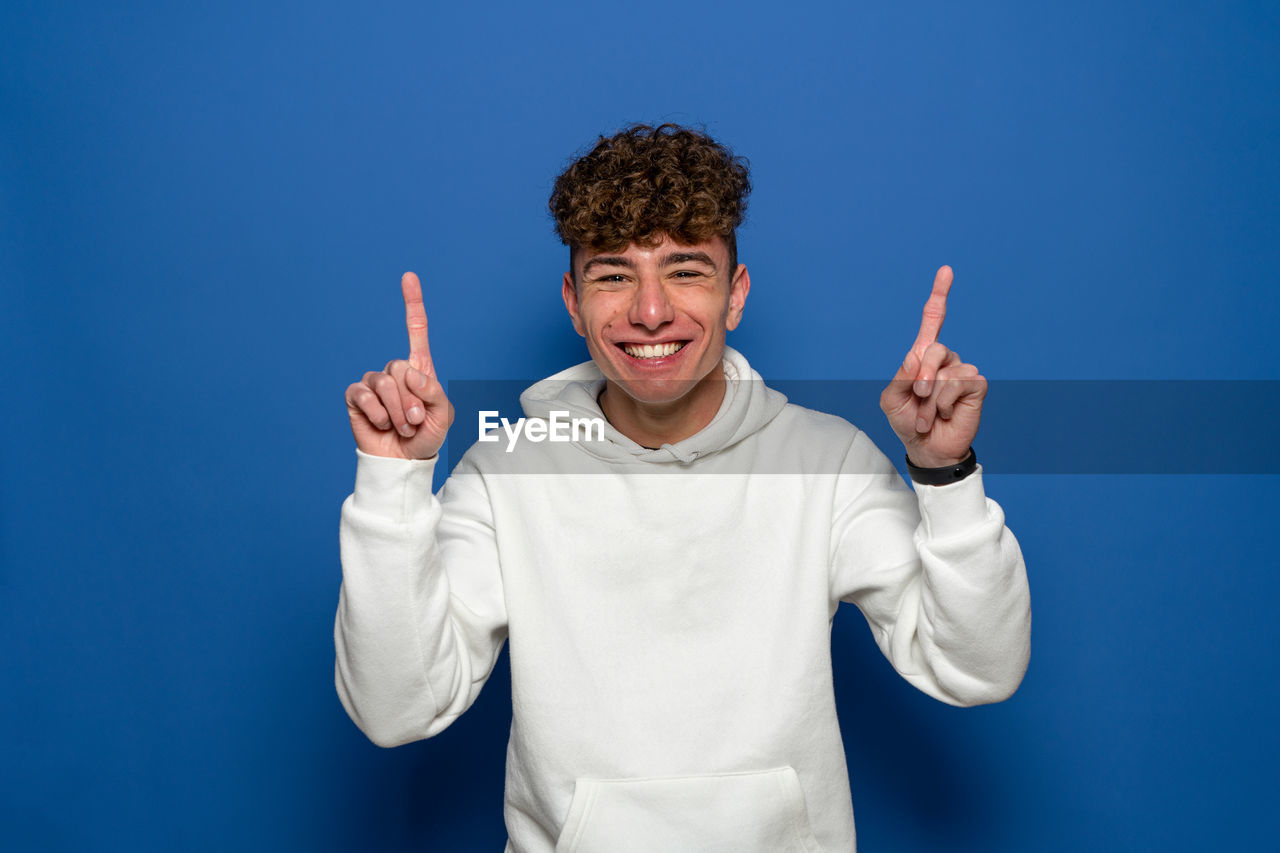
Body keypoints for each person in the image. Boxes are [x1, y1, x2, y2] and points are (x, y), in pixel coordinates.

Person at [337, 124, 1031, 852]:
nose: (649, 311)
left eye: (685, 270)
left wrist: (945, 475)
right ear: (573, 302)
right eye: (613, 274)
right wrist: (394, 482)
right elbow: (396, 708)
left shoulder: (825, 461)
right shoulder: (506, 470)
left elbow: (977, 667)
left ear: (735, 295)